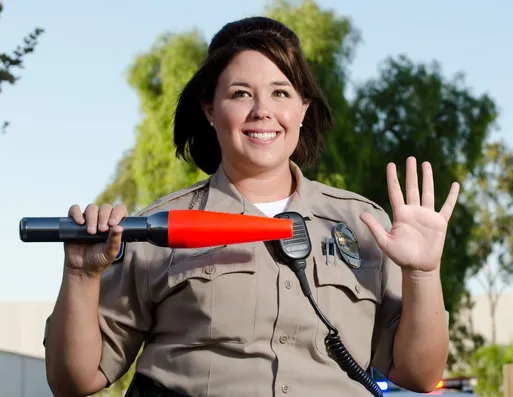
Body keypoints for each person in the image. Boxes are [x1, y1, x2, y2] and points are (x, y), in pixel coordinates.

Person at [44, 16, 460, 397]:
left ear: (302, 110)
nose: (263, 111)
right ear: (210, 108)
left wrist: (423, 273)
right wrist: (80, 275)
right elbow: (75, 380)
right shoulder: (158, 229)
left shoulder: (363, 224)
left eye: (281, 92)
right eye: (241, 93)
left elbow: (418, 375)